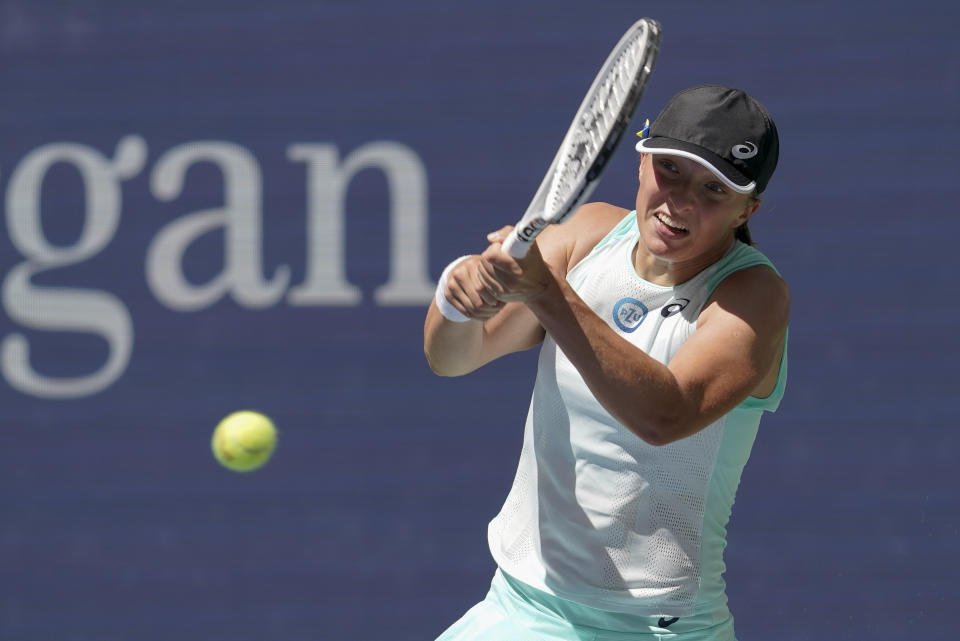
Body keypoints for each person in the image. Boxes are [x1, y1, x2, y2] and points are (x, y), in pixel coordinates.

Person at [423, 85, 788, 641]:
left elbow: (664, 416)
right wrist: (459, 296)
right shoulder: (589, 234)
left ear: (749, 208)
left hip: (656, 629)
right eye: (669, 168)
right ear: (641, 162)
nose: (681, 201)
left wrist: (548, 294)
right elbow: (452, 358)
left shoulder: (753, 297)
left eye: (715, 188)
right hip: (520, 608)